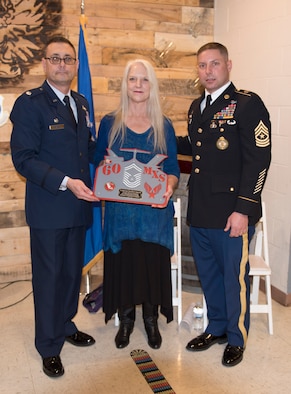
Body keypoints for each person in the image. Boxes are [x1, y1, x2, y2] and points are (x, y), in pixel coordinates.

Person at [177, 42, 271, 367]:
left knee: (234, 278)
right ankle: (216, 327)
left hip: (233, 212)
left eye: (214, 64)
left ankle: (236, 336)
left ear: (228, 65)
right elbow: (192, 147)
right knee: (210, 275)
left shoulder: (246, 104)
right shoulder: (195, 107)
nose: (207, 71)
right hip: (201, 209)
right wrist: (151, 137)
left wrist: (244, 209)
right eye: (202, 66)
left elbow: (259, 160)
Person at [10, 36, 99, 378]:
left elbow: (87, 151)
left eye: (68, 59)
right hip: (49, 208)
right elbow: (24, 159)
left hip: (78, 209)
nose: (63, 64)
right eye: (55, 58)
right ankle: (48, 345)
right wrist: (66, 182)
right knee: (49, 279)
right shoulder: (30, 104)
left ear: (76, 65)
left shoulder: (81, 103)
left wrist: (116, 163)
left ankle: (64, 324)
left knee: (70, 274)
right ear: (44, 64)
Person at [95, 59, 180, 350]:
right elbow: (97, 162)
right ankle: (127, 319)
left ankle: (151, 321)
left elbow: (173, 171)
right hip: (121, 216)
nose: (139, 85)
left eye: (144, 80)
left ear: (152, 85)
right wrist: (104, 172)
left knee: (151, 267)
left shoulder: (163, 125)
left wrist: (168, 187)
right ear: (125, 84)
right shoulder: (109, 123)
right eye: (133, 79)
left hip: (154, 217)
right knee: (125, 266)